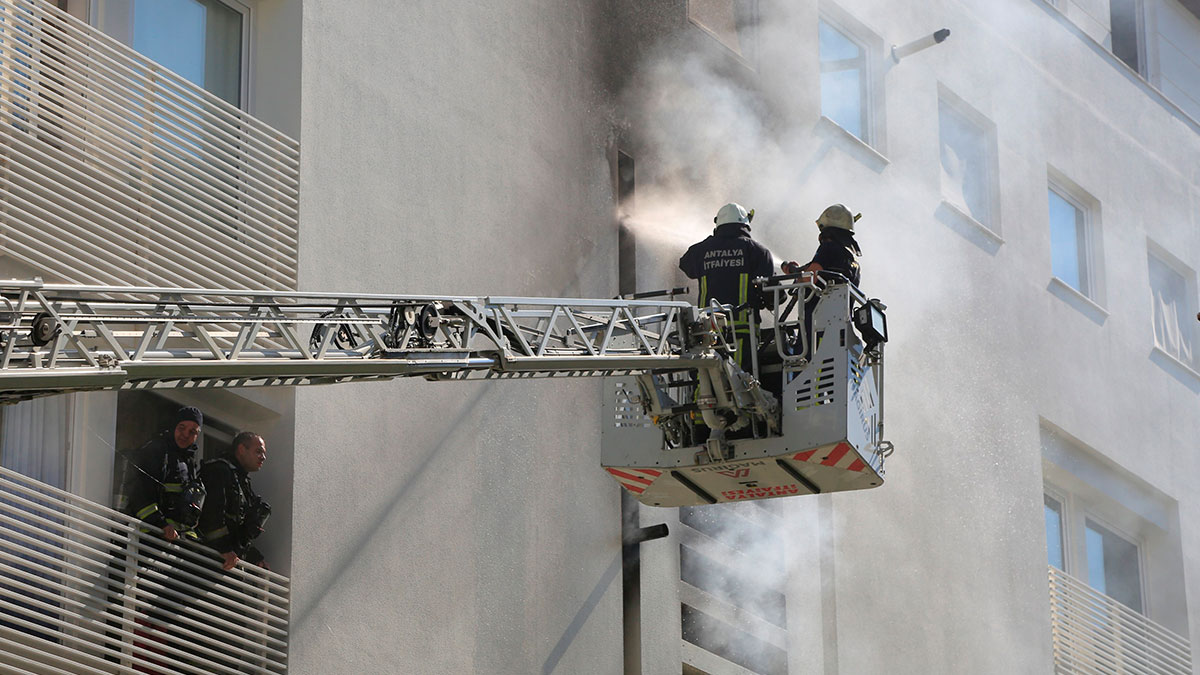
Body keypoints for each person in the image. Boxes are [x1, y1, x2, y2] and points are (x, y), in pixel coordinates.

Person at [679, 202, 775, 368]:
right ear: (745, 224)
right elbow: (772, 296)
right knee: (739, 381)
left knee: (705, 381)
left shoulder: (700, 251)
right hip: (742, 331)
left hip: (707, 330)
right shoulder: (757, 252)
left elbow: (685, 265)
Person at [780, 204, 864, 359]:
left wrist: (796, 272)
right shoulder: (853, 262)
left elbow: (811, 275)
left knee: (805, 364)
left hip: (817, 324)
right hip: (840, 330)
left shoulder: (829, 247)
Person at [122, 406, 206, 542]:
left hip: (174, 541)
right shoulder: (157, 450)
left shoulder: (189, 462)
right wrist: (161, 524)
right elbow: (139, 492)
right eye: (182, 428)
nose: (185, 434)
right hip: (149, 537)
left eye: (192, 431)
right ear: (174, 427)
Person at [198, 431, 271, 571]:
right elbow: (211, 516)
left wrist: (255, 557)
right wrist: (225, 549)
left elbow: (237, 532)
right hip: (207, 563)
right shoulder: (219, 471)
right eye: (258, 451)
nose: (263, 458)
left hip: (226, 564)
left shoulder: (242, 482)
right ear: (241, 449)